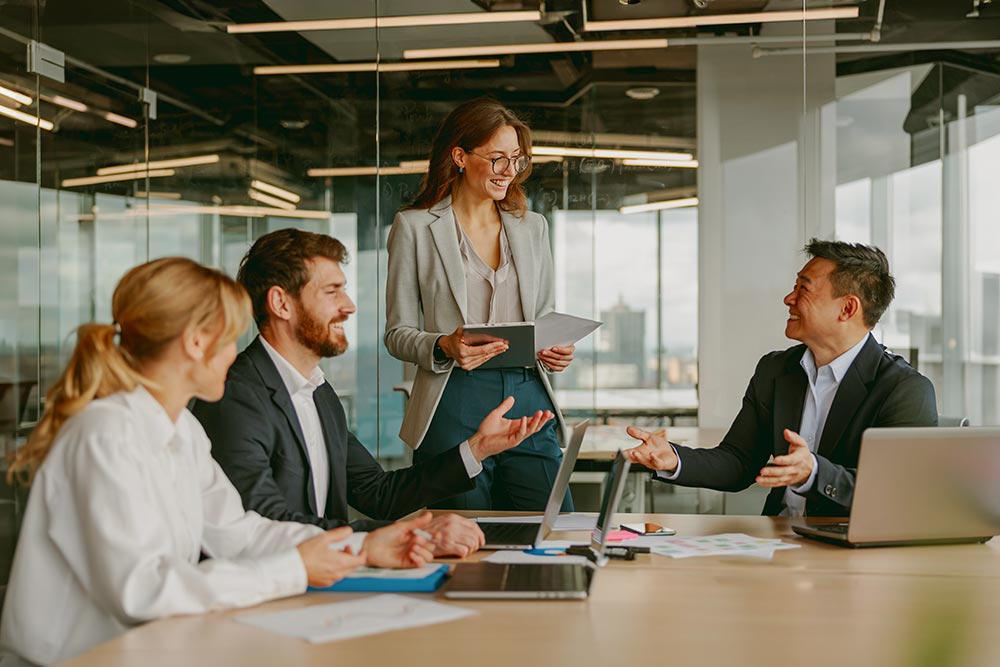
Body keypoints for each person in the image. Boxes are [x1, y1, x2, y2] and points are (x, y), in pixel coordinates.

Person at [0, 258, 434, 667]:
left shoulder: (183, 431)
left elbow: (239, 533)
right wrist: (295, 568)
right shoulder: (105, 434)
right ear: (194, 343)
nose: (235, 354)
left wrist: (359, 548)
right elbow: (144, 590)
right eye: (229, 340)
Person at [193, 228, 553, 557]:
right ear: (281, 303)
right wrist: (409, 537)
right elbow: (266, 523)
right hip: (273, 596)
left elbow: (378, 493)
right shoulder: (234, 397)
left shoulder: (317, 392)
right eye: (332, 291)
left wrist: (478, 448)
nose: (349, 305)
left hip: (325, 582)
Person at [624, 239, 938, 517]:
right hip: (778, 543)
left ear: (847, 308)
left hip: (849, 555)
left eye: (804, 289)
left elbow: (897, 495)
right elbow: (739, 462)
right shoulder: (775, 370)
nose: (789, 298)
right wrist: (675, 459)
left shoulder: (904, 390)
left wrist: (814, 473)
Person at [384, 97, 575, 511]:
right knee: (464, 539)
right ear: (459, 156)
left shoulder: (532, 227)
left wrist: (555, 348)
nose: (510, 172)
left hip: (528, 395)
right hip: (452, 396)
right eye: (497, 159)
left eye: (517, 160)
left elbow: (543, 317)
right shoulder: (415, 227)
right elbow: (397, 335)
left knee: (554, 529)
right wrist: (443, 345)